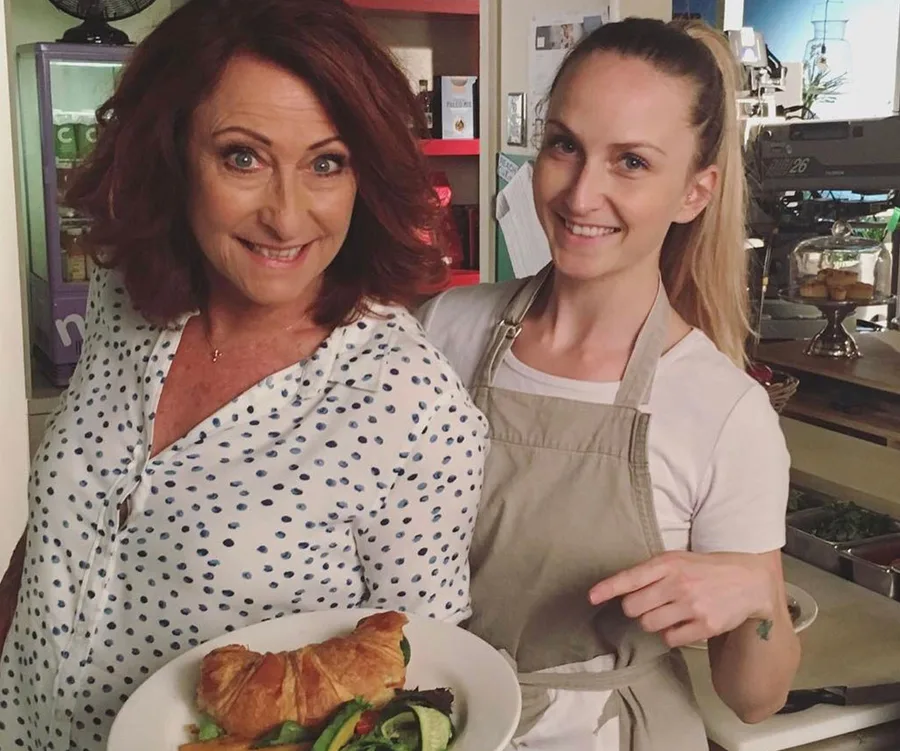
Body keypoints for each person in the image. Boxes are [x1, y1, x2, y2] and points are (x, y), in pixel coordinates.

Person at [0, 1, 487, 749]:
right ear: (171, 153)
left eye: (327, 163)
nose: (287, 218)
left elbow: (419, 686)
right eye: (242, 157)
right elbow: (62, 532)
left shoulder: (409, 401)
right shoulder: (123, 294)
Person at [418, 17, 800, 750]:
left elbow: (755, 697)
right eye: (565, 145)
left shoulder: (723, 412)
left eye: (630, 161)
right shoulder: (443, 330)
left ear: (695, 192)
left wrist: (758, 598)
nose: (581, 194)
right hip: (439, 719)